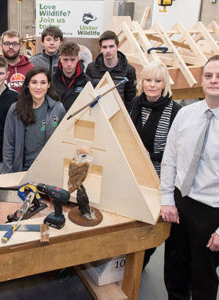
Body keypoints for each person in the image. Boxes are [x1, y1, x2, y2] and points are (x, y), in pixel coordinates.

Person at [160, 55, 219, 299]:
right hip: (180, 203)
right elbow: (170, 158)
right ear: (201, 80)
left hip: (211, 211)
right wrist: (167, 200)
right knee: (175, 268)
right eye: (208, 75)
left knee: (203, 276)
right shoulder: (185, 114)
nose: (214, 80)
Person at [129, 61, 181, 269]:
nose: (152, 85)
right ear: (142, 82)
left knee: (151, 224)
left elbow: (176, 151)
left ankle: (142, 262)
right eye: (148, 80)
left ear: (164, 84)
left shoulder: (175, 110)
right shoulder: (135, 103)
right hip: (134, 174)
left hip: (159, 177)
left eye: (157, 81)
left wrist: (151, 155)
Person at [3, 66, 66, 173]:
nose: (38, 87)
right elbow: (9, 145)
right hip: (22, 170)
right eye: (34, 82)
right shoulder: (15, 110)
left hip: (48, 171)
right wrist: (8, 174)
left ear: (49, 85)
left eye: (43, 82)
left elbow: (63, 143)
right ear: (27, 84)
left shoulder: (58, 109)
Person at [86, 30, 136, 111]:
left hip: (119, 115)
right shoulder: (91, 68)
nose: (108, 50)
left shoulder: (129, 70)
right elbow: (88, 95)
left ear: (118, 46)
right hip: (97, 112)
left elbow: (130, 100)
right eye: (104, 47)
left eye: (111, 46)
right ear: (100, 48)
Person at [53, 41, 91, 112]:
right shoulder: (51, 79)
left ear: (77, 59)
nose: (69, 64)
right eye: (65, 59)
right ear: (60, 59)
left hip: (76, 120)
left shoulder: (86, 81)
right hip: (55, 120)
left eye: (72, 59)